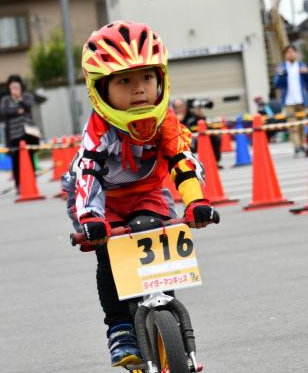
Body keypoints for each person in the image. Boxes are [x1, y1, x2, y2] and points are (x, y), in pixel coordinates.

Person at [63, 21, 218, 368]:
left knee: (161, 233)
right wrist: (90, 219)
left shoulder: (166, 122)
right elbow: (88, 174)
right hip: (102, 198)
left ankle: (169, 321)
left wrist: (197, 202)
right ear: (99, 88)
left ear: (160, 79)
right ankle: (119, 327)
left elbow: (183, 162)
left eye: (147, 78)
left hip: (147, 191)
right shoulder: (99, 130)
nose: (139, 90)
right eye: (124, 81)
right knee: (108, 255)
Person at [0, 74, 40, 191]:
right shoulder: (5, 99)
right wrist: (18, 111)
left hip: (29, 134)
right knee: (16, 160)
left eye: (17, 86)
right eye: (12, 87)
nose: (15, 89)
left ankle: (32, 181)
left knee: (30, 158)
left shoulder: (26, 96)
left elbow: (29, 106)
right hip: (13, 134)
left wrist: (20, 99)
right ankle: (18, 184)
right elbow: (5, 111)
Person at [273, 45, 308, 157]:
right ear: (285, 55)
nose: (291, 54)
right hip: (288, 101)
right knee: (293, 125)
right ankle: (297, 147)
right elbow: (277, 84)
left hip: (301, 100)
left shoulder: (301, 66)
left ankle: (302, 145)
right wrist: (281, 75)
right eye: (288, 52)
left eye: (292, 52)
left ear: (296, 53)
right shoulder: (282, 68)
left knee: (302, 125)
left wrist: (307, 73)